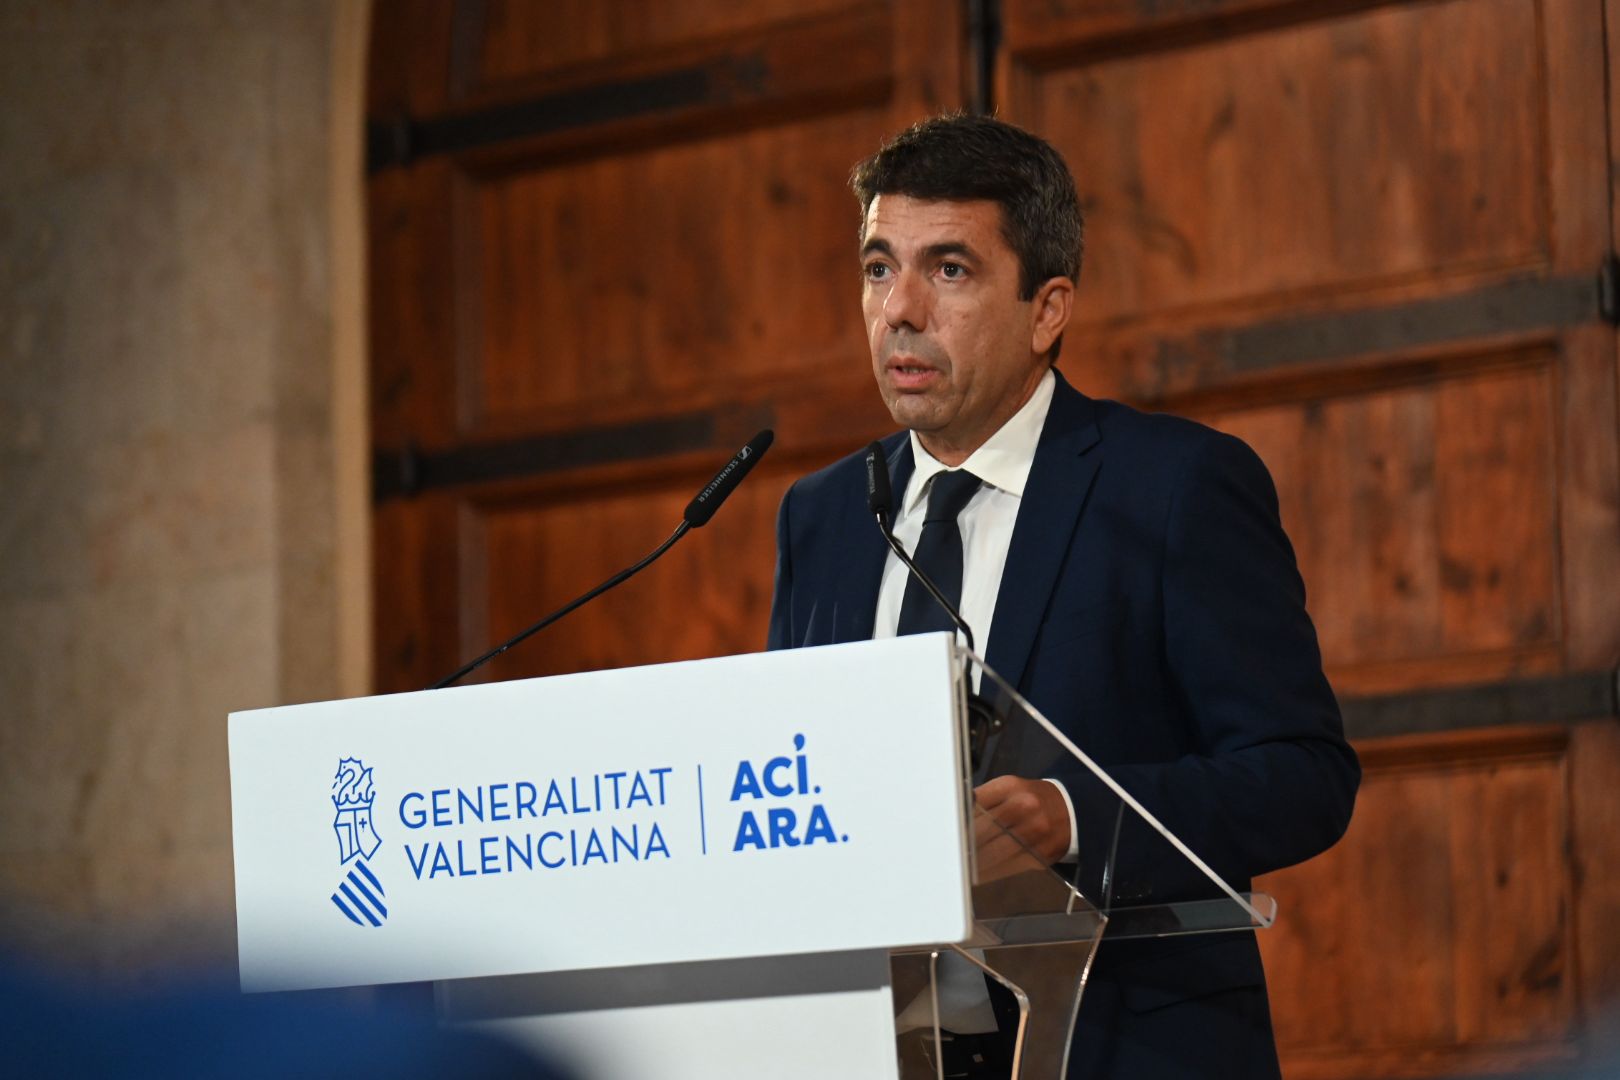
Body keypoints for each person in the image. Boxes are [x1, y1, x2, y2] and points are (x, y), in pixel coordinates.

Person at [766, 114, 1360, 1078]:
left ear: (1047, 309)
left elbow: (1303, 776)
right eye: (879, 267)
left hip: (1120, 1046)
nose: (900, 310)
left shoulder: (1171, 488)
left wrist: (1073, 817)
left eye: (949, 269)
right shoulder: (824, 516)